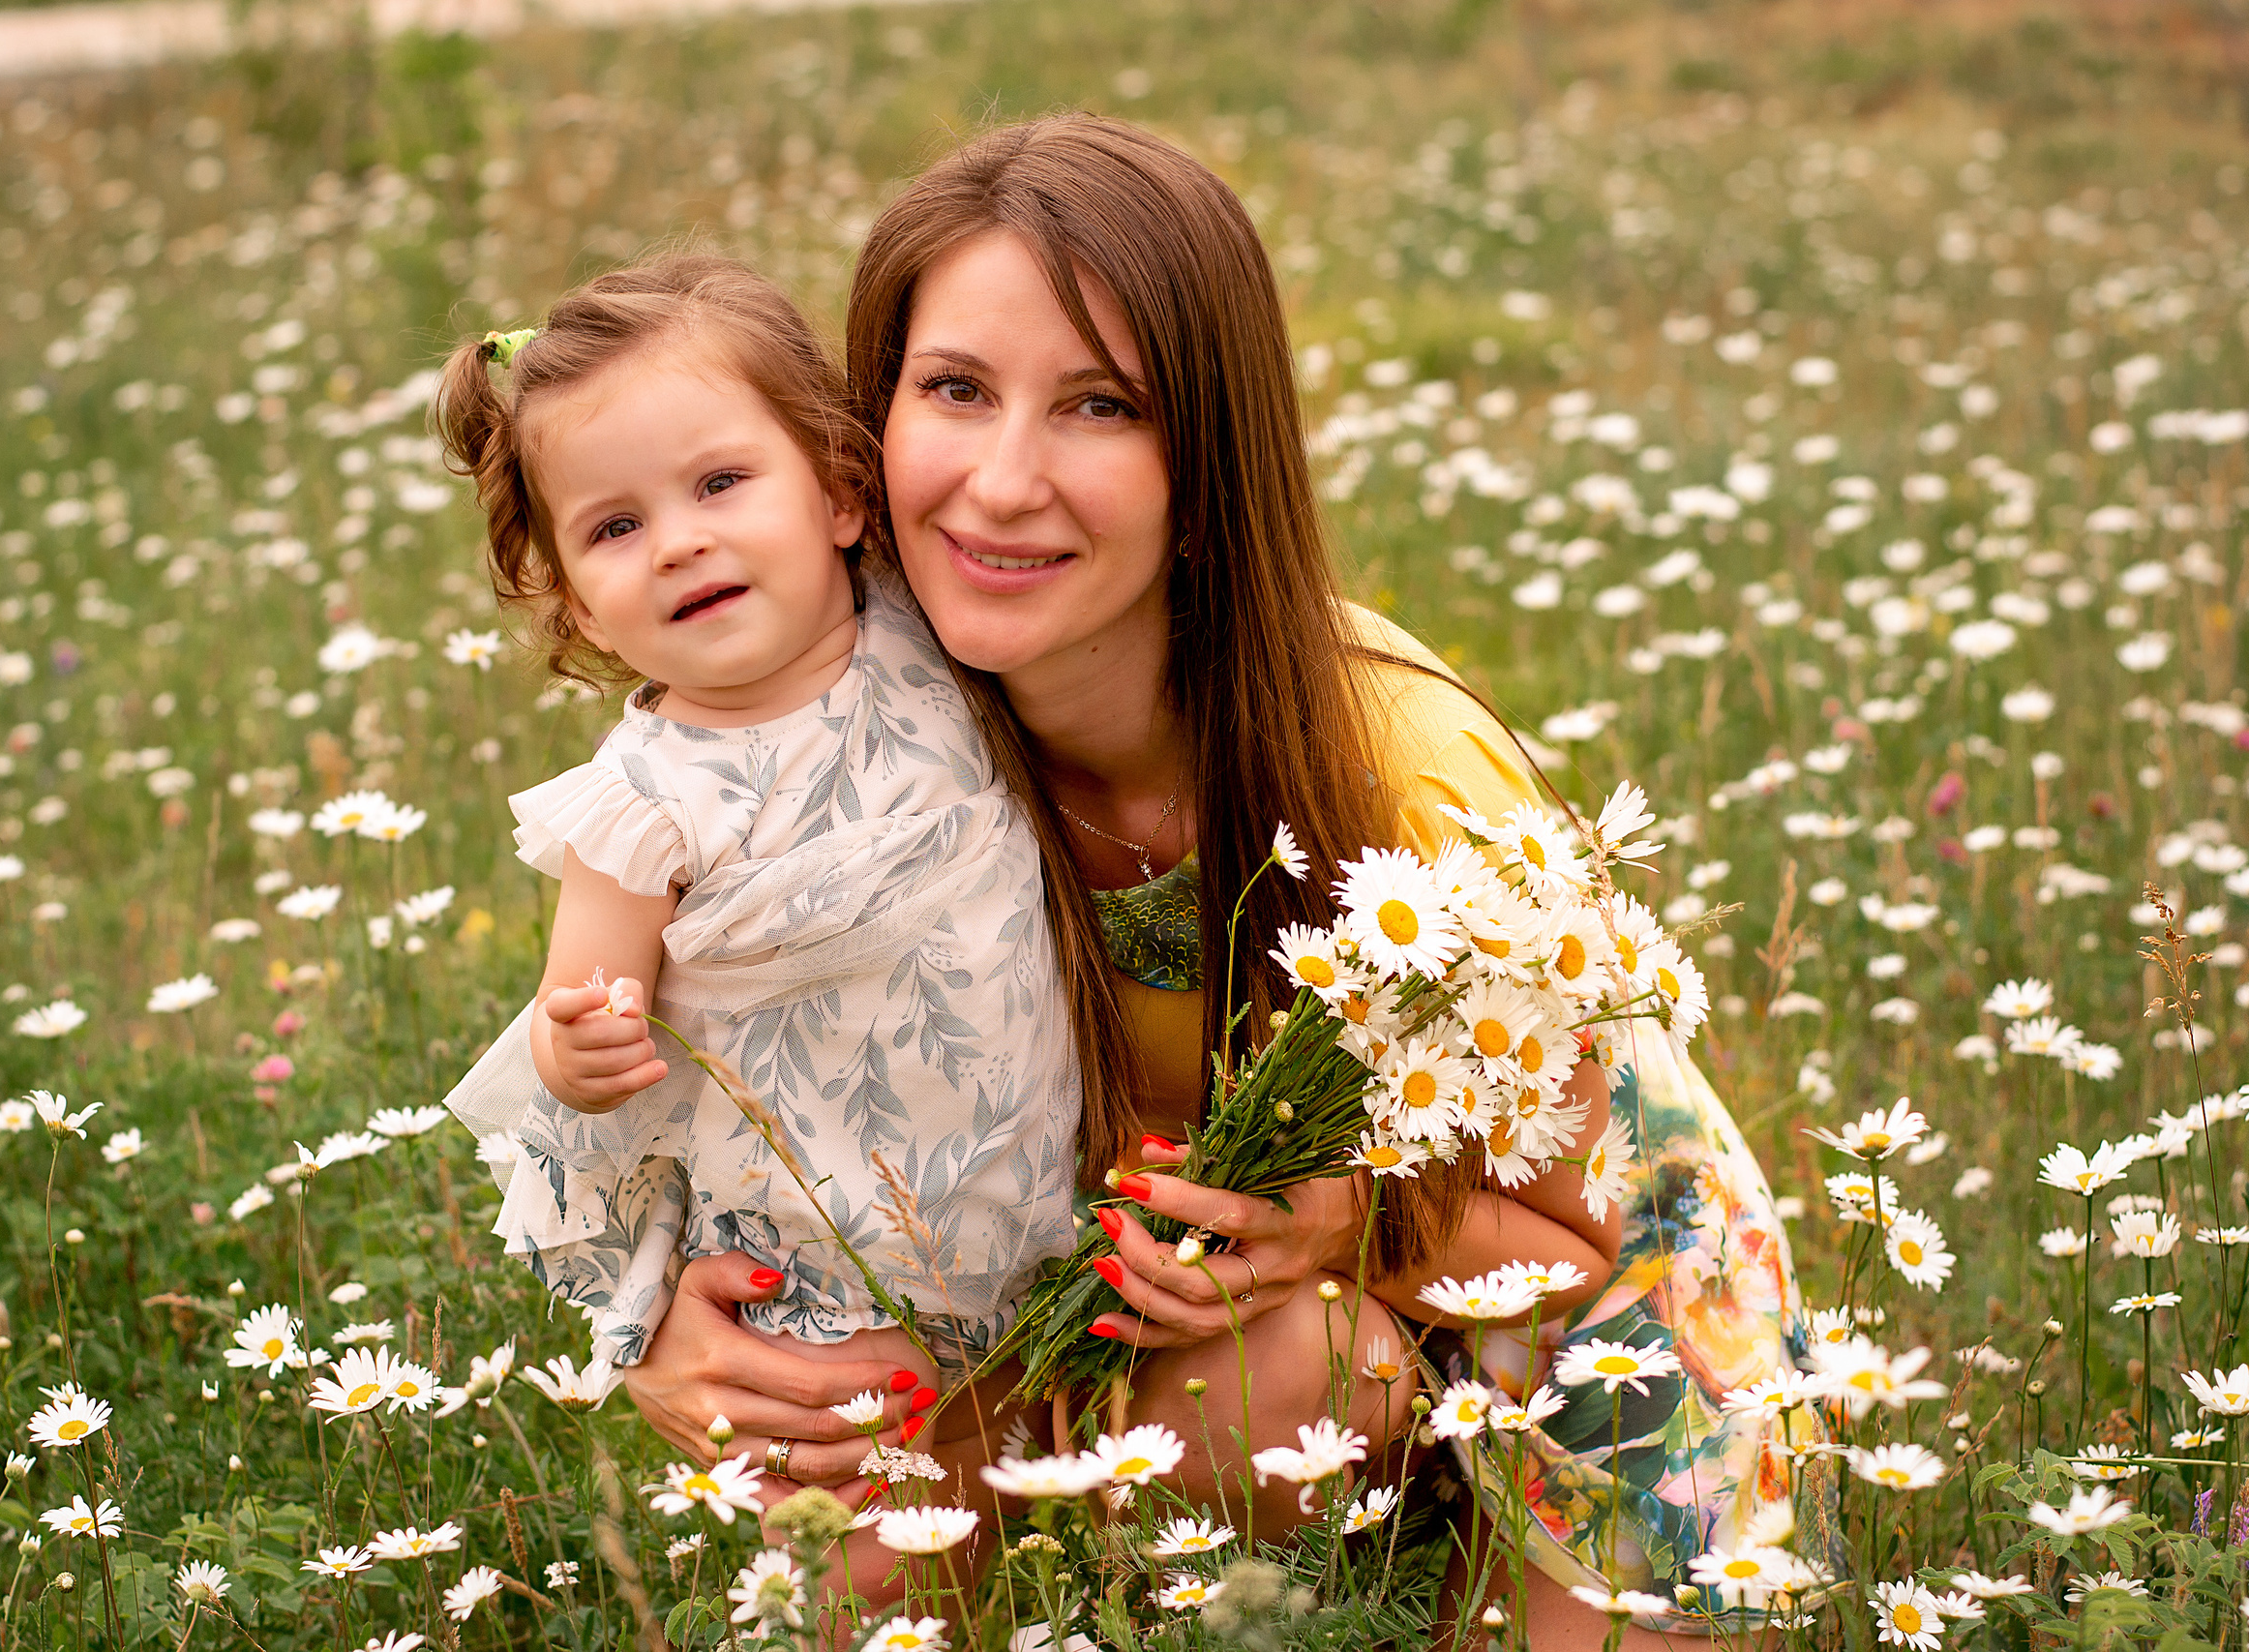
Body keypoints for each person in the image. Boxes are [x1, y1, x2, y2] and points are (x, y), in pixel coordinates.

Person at [622, 119, 1831, 1643]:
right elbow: (666, 1063)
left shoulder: (1399, 776)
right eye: (956, 390)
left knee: (1284, 1382)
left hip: (1574, 1326)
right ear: (868, 428)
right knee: (848, 1491)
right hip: (1162, 1307)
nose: (1002, 482)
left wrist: (1342, 1228)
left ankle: (1418, 1566)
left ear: (1206, 470)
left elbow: (1572, 1241)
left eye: (1100, 405)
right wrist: (653, 1323)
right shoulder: (833, 728)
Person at [430, 255, 1082, 1467]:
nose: (680, 543)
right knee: (873, 1544)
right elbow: (582, 1011)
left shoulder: (919, 628)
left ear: (841, 494)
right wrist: (578, 1047)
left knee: (1040, 1483)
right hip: (820, 1268)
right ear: (572, 603)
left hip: (1030, 1202)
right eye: (615, 527)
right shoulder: (640, 802)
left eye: (722, 483)